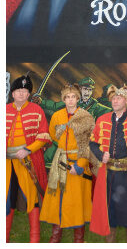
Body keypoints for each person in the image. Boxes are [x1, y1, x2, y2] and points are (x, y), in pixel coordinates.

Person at [89, 85, 127, 242]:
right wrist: (100, 155)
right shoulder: (102, 119)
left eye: (119, 98)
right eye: (113, 98)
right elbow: (93, 143)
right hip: (108, 174)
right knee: (109, 213)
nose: (115, 101)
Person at [40, 84, 95, 242]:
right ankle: (55, 236)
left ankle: (79, 239)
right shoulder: (57, 116)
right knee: (58, 198)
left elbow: (89, 144)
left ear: (78, 98)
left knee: (77, 201)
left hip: (77, 162)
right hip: (61, 160)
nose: (70, 100)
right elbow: (53, 134)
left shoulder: (85, 117)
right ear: (63, 99)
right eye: (67, 97)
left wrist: (80, 165)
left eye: (73, 97)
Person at [6, 75, 50, 243]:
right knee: (6, 199)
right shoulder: (5, 110)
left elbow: (44, 137)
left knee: (32, 199)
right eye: (18, 91)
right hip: (7, 164)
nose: (22, 94)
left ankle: (35, 240)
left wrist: (27, 149)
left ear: (29, 94)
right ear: (12, 93)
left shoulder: (37, 110)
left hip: (28, 161)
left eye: (25, 91)